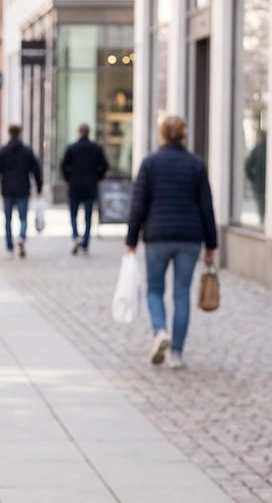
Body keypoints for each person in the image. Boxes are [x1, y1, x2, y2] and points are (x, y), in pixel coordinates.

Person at [125, 115, 217, 370]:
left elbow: (138, 205)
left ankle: (160, 331)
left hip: (157, 236)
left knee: (154, 289)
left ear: (162, 134)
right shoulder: (196, 165)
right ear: (184, 134)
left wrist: (131, 240)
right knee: (181, 295)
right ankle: (176, 353)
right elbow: (206, 207)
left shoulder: (150, 164)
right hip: (189, 238)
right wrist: (212, 244)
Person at [0, 124, 42, 258]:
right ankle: (22, 237)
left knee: (8, 220)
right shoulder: (27, 151)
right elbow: (36, 170)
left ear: (9, 133)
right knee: (23, 218)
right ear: (20, 133)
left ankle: (9, 248)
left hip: (7, 189)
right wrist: (39, 188)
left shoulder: (2, 151)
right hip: (23, 188)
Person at [60, 123, 109, 255]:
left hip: (75, 186)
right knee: (88, 217)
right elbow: (105, 166)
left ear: (79, 132)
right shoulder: (96, 148)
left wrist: (69, 178)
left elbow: (63, 166)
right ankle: (86, 242)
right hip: (90, 187)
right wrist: (97, 177)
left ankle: (76, 237)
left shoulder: (72, 148)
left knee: (73, 215)